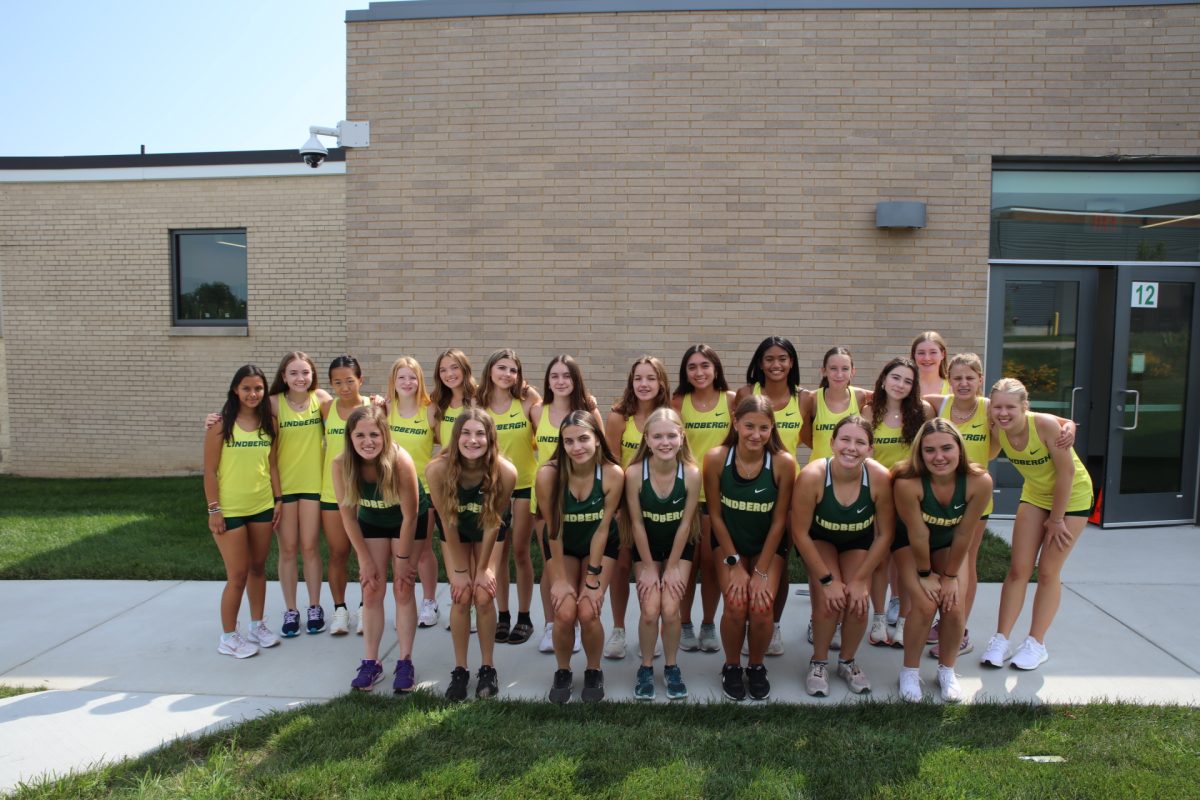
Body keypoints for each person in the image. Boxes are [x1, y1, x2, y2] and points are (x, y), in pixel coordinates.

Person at [923, 353, 1075, 659]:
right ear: (948, 380)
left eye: (970, 377)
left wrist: (1070, 424)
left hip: (976, 499)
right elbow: (899, 394)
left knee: (965, 563)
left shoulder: (993, 407)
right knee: (940, 563)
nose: (963, 383)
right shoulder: (938, 405)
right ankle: (945, 621)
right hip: (940, 500)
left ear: (980, 380)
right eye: (957, 378)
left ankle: (960, 630)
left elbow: (1051, 422)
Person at [980, 378, 1093, 671]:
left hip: (1072, 497)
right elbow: (1067, 420)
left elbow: (1067, 473)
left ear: (1024, 407)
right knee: (1018, 569)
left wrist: (1056, 520)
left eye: (1010, 407)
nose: (1003, 413)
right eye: (998, 407)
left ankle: (1036, 643)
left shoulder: (1041, 425)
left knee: (1047, 571)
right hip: (1035, 494)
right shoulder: (996, 427)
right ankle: (1001, 639)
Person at [791, 415, 894, 697]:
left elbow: (885, 535)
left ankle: (847, 661)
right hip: (819, 538)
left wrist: (862, 580)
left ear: (870, 449)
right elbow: (799, 533)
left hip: (857, 540)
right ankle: (819, 662)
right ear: (832, 442)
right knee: (830, 600)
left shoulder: (879, 478)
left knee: (858, 602)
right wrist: (826, 580)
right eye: (845, 439)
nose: (852, 447)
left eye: (860, 442)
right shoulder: (813, 476)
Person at [891, 419, 992, 702]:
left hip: (949, 542)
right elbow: (918, 534)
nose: (939, 457)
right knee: (924, 604)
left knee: (954, 604)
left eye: (947, 448)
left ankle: (947, 670)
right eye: (930, 450)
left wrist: (948, 578)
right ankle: (909, 671)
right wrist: (926, 575)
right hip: (910, 544)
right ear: (920, 453)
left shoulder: (979, 481)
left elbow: (964, 533)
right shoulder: (907, 481)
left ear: (959, 449)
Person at [706, 395, 796, 701]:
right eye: (748, 426)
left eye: (763, 427)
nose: (755, 434)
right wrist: (734, 563)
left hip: (767, 544)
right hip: (729, 542)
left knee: (760, 605)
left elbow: (779, 522)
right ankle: (732, 666)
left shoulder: (783, 462)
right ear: (735, 423)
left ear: (772, 428)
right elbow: (715, 516)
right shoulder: (717, 458)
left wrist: (759, 571)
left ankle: (756, 666)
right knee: (734, 601)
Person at [425, 408, 517, 700]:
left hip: (490, 529)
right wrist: (462, 572)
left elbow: (493, 523)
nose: (473, 440)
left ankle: (487, 667)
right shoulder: (437, 470)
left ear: (490, 439)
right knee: (461, 594)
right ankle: (461, 669)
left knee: (483, 593)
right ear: (456, 437)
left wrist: (484, 571)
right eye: (466, 433)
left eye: (480, 434)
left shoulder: (505, 471)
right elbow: (447, 522)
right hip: (456, 532)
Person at [536, 411, 624, 703]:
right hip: (562, 543)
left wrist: (592, 578)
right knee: (563, 611)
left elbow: (603, 529)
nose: (577, 447)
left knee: (588, 610)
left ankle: (593, 669)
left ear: (597, 440)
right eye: (569, 441)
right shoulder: (549, 475)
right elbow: (553, 530)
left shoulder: (612, 474)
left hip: (600, 546)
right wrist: (559, 579)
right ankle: (563, 670)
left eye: (584, 438)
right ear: (562, 444)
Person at [333, 406, 421, 692]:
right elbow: (347, 516)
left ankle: (405, 661)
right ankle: (371, 662)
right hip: (371, 521)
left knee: (403, 587)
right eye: (360, 435)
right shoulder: (341, 463)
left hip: (407, 523)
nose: (367, 441)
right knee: (371, 588)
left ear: (384, 435)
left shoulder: (400, 461)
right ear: (350, 437)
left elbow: (410, 516)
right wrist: (364, 559)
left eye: (374, 434)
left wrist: (404, 559)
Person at [733, 336, 807, 657]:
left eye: (782, 358)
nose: (776, 365)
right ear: (759, 363)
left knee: (780, 560)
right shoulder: (746, 395)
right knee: (747, 555)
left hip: (788, 489)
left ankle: (772, 624)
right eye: (769, 359)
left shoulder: (805, 399)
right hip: (748, 485)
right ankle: (747, 622)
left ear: (791, 362)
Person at [203, 364, 282, 658]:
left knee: (258, 568)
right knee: (237, 574)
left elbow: (272, 464)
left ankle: (257, 626)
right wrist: (215, 509)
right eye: (247, 388)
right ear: (236, 389)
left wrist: (278, 499)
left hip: (261, 505)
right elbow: (210, 471)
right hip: (230, 509)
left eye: (258, 388)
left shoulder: (269, 423)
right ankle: (228, 637)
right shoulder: (220, 425)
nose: (253, 394)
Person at [624, 407, 701, 700]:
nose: (665, 442)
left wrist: (670, 568)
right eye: (658, 436)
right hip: (646, 547)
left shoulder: (692, 474)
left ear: (682, 437)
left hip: (679, 549)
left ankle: (671, 666)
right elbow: (636, 523)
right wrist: (649, 567)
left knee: (670, 610)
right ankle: (645, 667)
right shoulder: (634, 473)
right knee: (649, 610)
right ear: (647, 438)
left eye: (671, 435)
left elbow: (685, 525)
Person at [859, 357, 936, 649]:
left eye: (907, 380)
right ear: (883, 380)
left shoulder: (923, 411)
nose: (900, 385)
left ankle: (903, 622)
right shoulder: (869, 410)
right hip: (878, 495)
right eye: (895, 377)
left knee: (908, 563)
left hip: (910, 495)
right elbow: (863, 454)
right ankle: (878, 619)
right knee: (879, 560)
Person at [602, 356, 672, 660]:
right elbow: (612, 461)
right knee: (620, 567)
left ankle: (653, 628)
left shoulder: (670, 415)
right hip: (625, 504)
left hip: (660, 503)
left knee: (655, 566)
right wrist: (617, 505)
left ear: (661, 383)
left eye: (651, 378)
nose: (644, 384)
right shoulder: (619, 416)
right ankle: (618, 630)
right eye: (638, 378)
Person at [531, 355, 602, 654]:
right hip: (547, 499)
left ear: (576, 380)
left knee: (584, 561)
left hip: (585, 500)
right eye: (554, 376)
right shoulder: (536, 411)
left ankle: (579, 619)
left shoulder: (588, 410)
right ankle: (553, 623)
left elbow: (604, 452)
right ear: (547, 382)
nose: (560, 381)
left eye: (566, 376)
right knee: (551, 565)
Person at [673, 344, 736, 654]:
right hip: (683, 495)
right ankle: (684, 623)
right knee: (688, 562)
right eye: (692, 367)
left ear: (716, 369)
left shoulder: (733, 401)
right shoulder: (677, 402)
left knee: (712, 563)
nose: (699, 372)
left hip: (719, 497)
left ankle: (708, 623)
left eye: (705, 366)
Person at [479, 349, 543, 645]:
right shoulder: (478, 403)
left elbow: (553, 421)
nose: (507, 374)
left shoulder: (527, 401)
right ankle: (502, 614)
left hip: (525, 484)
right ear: (490, 371)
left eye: (513, 370)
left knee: (519, 550)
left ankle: (524, 616)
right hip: (493, 488)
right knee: (498, 554)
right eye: (501, 368)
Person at [266, 352, 331, 637]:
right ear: (283, 376)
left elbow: (350, 409)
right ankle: (291, 609)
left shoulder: (321, 398)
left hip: (314, 486)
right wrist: (215, 418)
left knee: (310, 547)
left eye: (305, 372)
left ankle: (315, 606)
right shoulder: (273, 404)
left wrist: (378, 402)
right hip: (286, 488)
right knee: (288, 549)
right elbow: (241, 414)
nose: (300, 378)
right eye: (293, 373)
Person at [385, 356, 441, 629]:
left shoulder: (430, 411)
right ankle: (404, 603)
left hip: (424, 491)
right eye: (402, 377)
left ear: (420, 381)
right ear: (393, 382)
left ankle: (429, 601)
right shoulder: (384, 409)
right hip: (390, 492)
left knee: (421, 550)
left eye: (413, 377)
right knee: (398, 552)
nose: (407, 382)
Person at [319, 356, 373, 635]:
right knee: (339, 553)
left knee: (367, 555)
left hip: (365, 493)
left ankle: (366, 608)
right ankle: (340, 610)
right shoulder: (326, 408)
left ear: (360, 380)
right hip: (332, 492)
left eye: (349, 381)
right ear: (330, 384)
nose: (344, 387)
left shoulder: (373, 407)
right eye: (337, 382)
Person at [801, 346, 870, 462]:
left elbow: (888, 394)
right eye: (833, 368)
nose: (839, 374)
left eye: (845, 369)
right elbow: (805, 437)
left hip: (850, 472)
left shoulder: (860, 397)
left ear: (853, 371)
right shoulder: (812, 399)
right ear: (824, 371)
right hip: (819, 472)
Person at [430, 348, 477, 451]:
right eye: (443, 370)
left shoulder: (479, 398)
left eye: (455, 367)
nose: (449, 374)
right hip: (449, 465)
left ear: (465, 369)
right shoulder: (438, 403)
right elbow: (440, 439)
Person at [911, 331, 952, 397]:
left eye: (933, 352)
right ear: (914, 355)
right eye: (921, 353)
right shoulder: (906, 386)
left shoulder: (953, 388)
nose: (927, 358)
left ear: (942, 354)